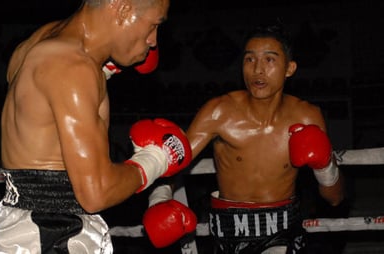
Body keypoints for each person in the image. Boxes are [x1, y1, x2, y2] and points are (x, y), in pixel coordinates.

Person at [0, 0, 194, 253]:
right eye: (153, 25)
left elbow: (38, 116)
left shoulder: (41, 41)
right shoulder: (73, 67)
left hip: (28, 226)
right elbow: (97, 193)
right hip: (54, 231)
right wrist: (156, 159)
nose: (153, 40)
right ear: (124, 9)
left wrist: (104, 71)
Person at [143, 23, 345, 253]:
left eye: (269, 60)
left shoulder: (307, 116)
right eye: (250, 60)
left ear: (289, 68)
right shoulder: (218, 112)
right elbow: (172, 164)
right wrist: (158, 200)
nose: (258, 70)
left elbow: (335, 198)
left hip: (281, 231)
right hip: (228, 232)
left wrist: (325, 166)